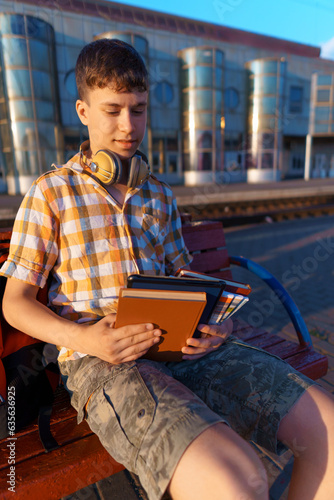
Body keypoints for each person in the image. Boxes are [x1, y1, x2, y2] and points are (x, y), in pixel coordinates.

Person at [1, 38, 334, 500]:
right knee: (239, 480)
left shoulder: (158, 193)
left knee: (331, 435)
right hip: (104, 362)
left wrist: (215, 319)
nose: (127, 126)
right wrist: (84, 338)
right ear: (82, 110)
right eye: (112, 109)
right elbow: (14, 304)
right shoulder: (51, 194)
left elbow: (182, 278)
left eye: (137, 110)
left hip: (186, 348)